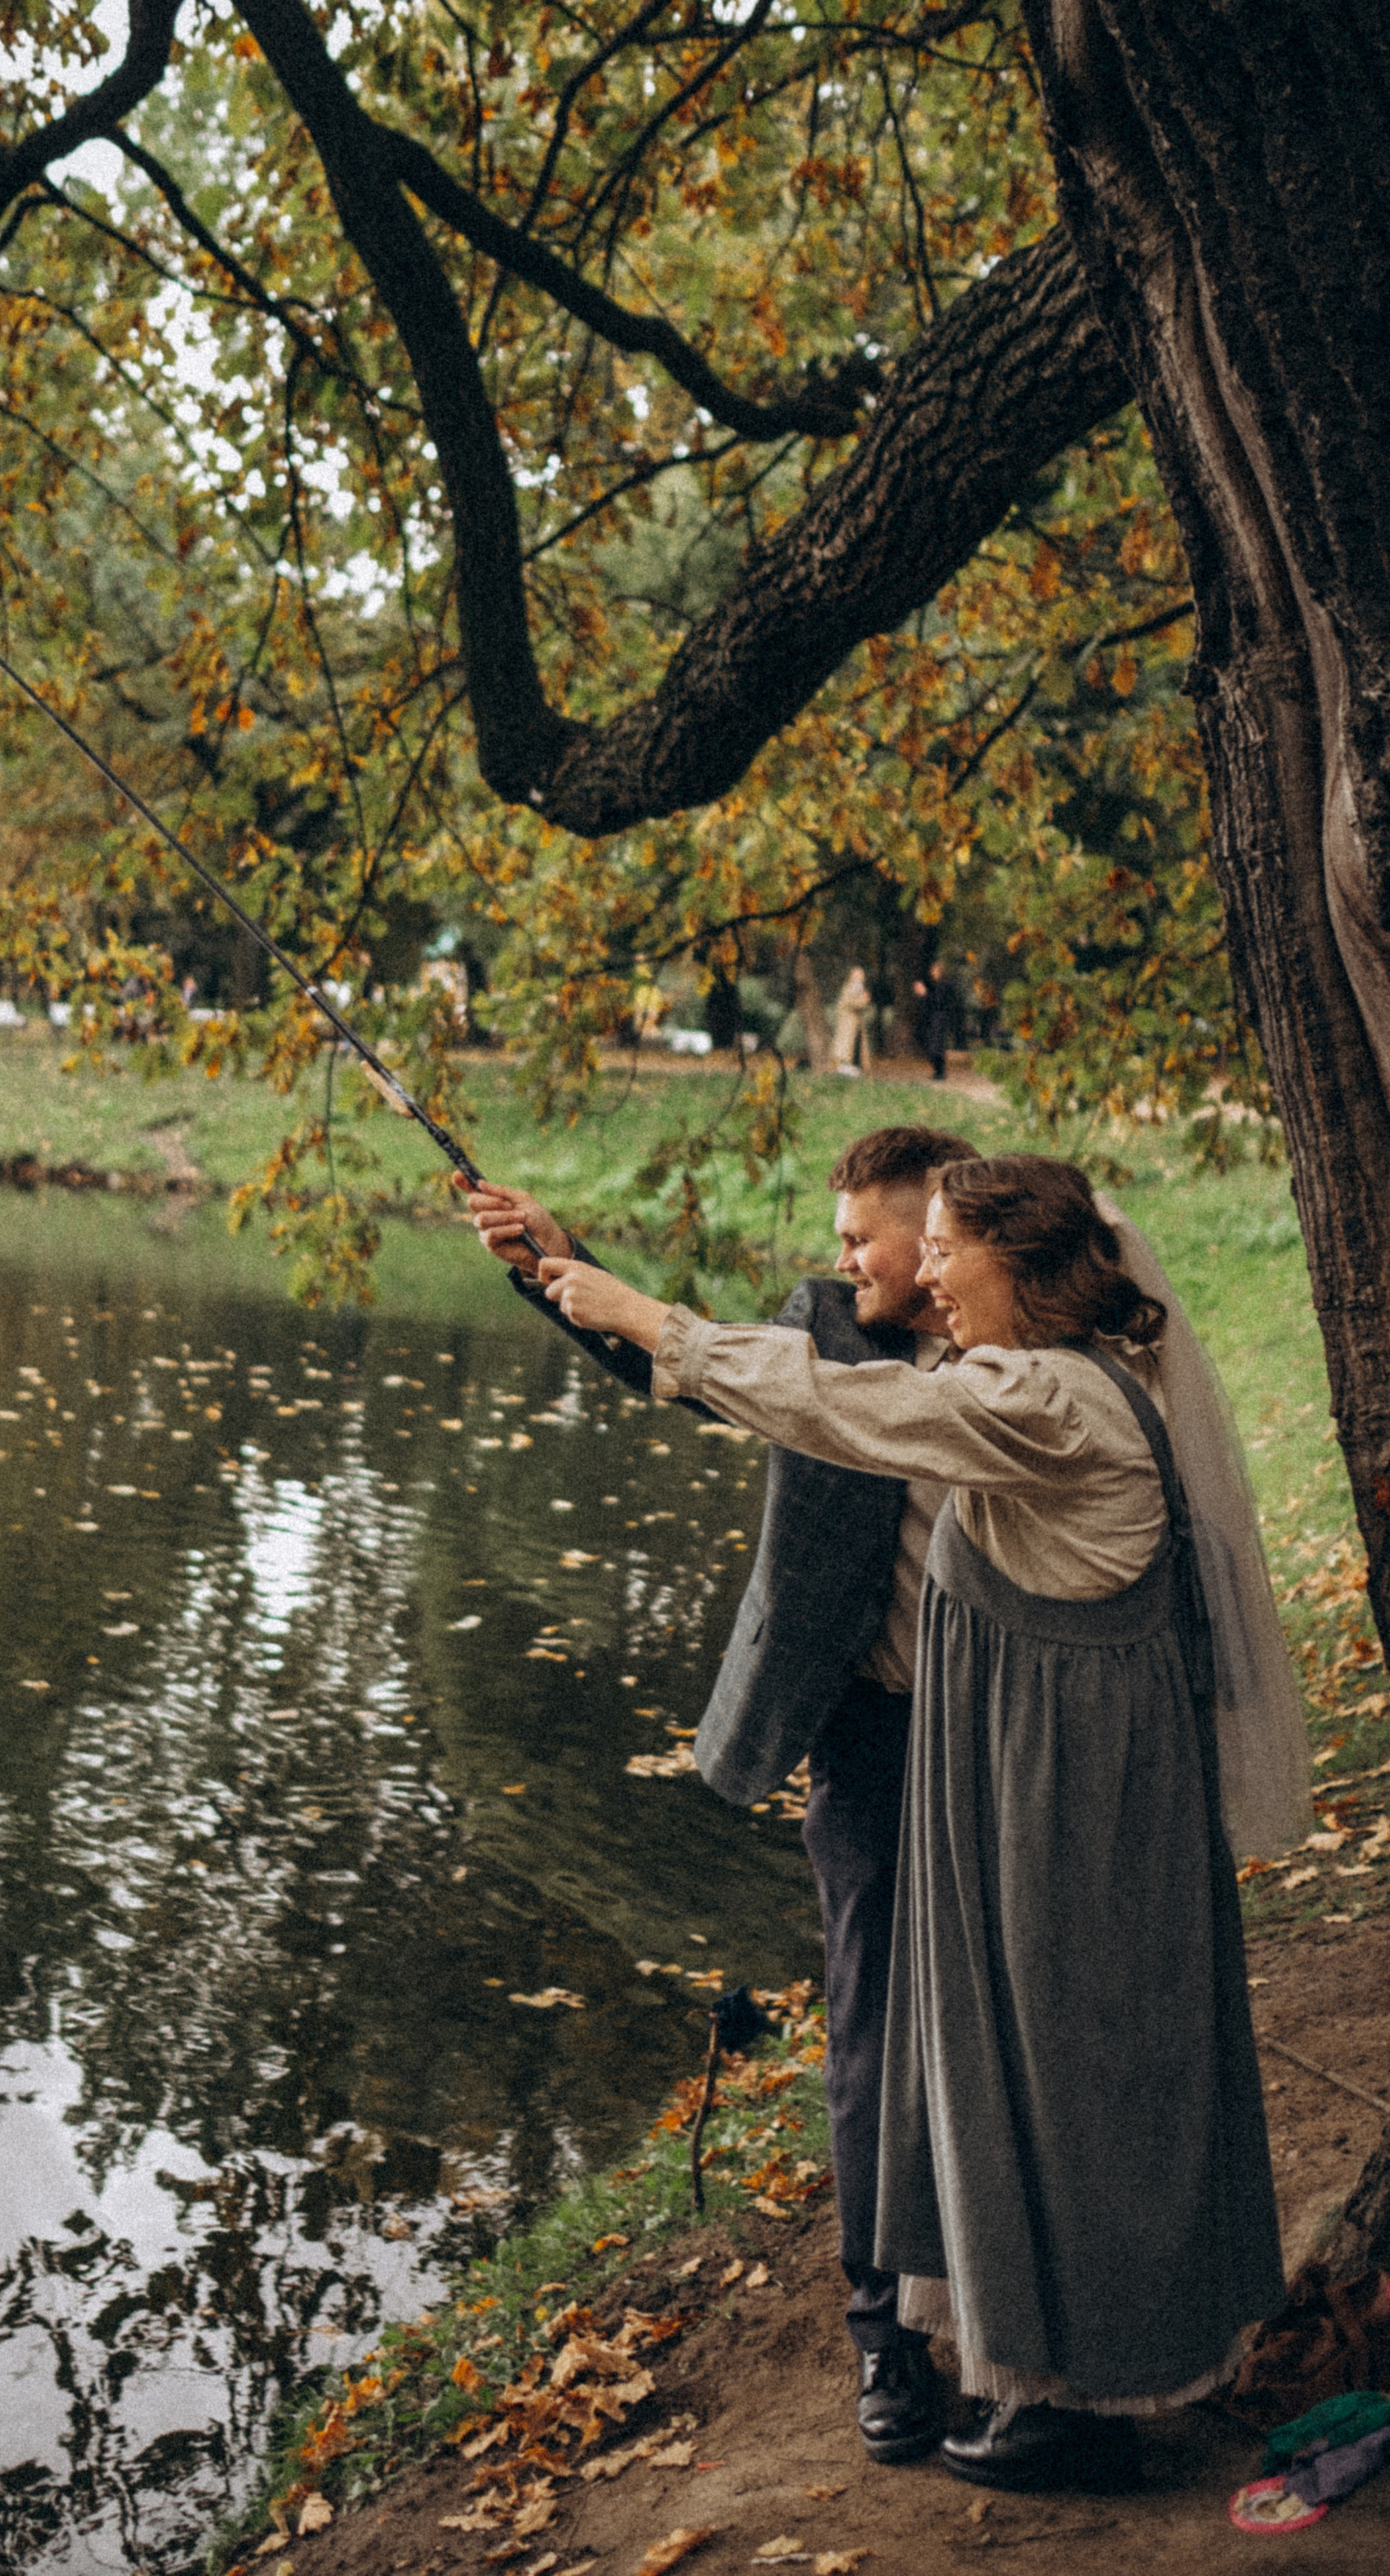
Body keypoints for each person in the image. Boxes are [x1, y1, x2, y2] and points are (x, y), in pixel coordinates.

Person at [531, 1155, 1306, 2490]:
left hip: (1068, 1807)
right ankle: (1030, 2371)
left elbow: (839, 1407)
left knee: (1074, 2088)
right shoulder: (1029, 1381)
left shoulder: (1044, 1401)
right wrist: (589, 1297)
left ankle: (1082, 2400)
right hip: (1032, 1792)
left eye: (943, 1249)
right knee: (1032, 2079)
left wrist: (652, 1321)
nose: (923, 1271)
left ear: (1016, 1264)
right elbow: (823, 1384)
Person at [463, 1126, 977, 2466]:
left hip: (1001, 1739)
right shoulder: (820, 1328)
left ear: (937, 1246)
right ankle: (885, 2340)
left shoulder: (1020, 1355)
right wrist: (555, 1265)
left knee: (994, 2027)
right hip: (866, 1731)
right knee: (869, 2029)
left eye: (861, 1233)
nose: (835, 1255)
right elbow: (685, 1365)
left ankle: (1006, 2313)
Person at [911, 959, 963, 1082]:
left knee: (936, 1047)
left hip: (940, 1020)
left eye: (935, 970)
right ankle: (938, 1071)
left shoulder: (945, 985)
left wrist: (925, 994)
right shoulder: (937, 985)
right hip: (935, 1019)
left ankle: (940, 1072)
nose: (932, 972)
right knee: (933, 1045)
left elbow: (937, 1002)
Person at [831, 967, 873, 1077]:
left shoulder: (857, 987)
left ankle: (851, 1066)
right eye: (858, 975)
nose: (861, 977)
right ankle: (844, 1067)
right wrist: (865, 1000)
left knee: (854, 1045)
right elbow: (852, 1002)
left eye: (862, 975)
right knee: (846, 1045)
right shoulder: (853, 987)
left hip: (854, 1022)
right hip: (849, 1022)